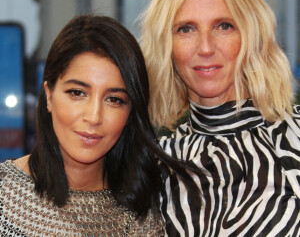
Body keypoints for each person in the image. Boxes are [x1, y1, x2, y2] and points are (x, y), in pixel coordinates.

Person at [141, 0, 300, 237]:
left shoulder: (294, 138)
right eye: (186, 29)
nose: (205, 47)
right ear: (167, 45)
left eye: (223, 26)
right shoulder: (153, 164)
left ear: (252, 34)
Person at [0, 15, 200, 236]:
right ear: (49, 95)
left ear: (130, 112)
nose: (94, 117)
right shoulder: (4, 194)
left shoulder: (147, 217)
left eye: (114, 99)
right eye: (77, 93)